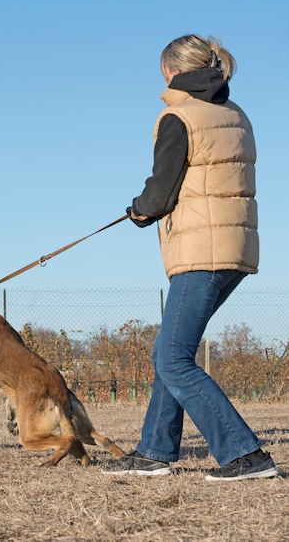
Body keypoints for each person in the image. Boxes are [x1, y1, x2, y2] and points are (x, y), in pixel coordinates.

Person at [102, 35, 280, 481]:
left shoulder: (178, 116)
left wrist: (139, 209)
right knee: (170, 349)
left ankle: (245, 455)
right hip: (236, 247)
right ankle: (155, 451)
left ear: (170, 72)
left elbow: (161, 192)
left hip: (202, 249)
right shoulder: (235, 114)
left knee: (172, 358)